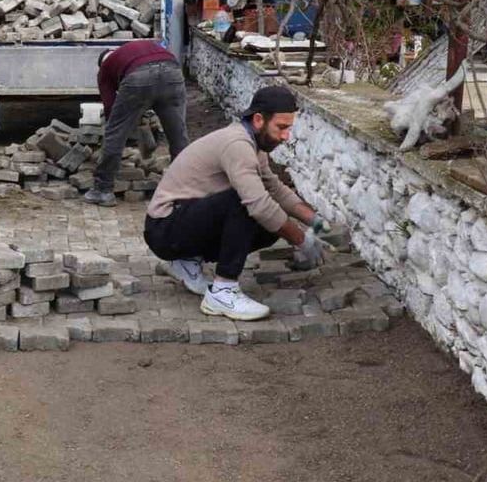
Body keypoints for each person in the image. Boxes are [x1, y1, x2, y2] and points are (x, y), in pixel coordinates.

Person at [142, 86, 333, 321]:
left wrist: (317, 223)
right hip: (164, 228)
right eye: (281, 127)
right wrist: (301, 240)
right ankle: (223, 291)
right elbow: (259, 204)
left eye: (289, 128)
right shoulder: (237, 145)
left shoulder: (253, 143)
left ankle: (185, 261)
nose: (286, 136)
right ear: (259, 119)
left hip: (179, 224)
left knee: (268, 229)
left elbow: (276, 189)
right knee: (245, 203)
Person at [83, 40, 190, 207]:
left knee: (114, 133)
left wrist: (127, 121)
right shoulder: (133, 49)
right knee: (178, 135)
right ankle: (184, 193)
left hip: (139, 77)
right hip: (173, 72)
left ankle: (103, 190)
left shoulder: (105, 68)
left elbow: (111, 108)